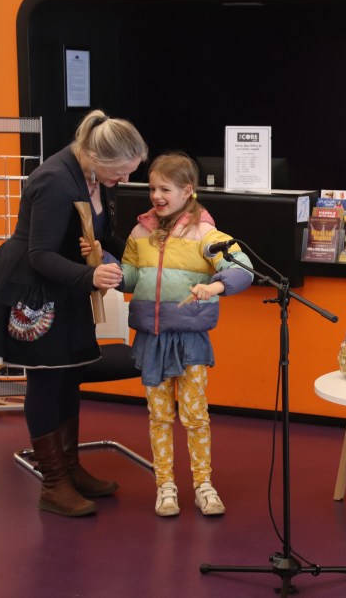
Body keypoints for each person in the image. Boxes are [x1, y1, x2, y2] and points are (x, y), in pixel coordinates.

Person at [0, 109, 148, 517]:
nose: (124, 180)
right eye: (122, 172)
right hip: (35, 289)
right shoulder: (55, 181)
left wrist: (145, 256)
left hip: (69, 285)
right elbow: (39, 255)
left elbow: (104, 232)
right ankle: (53, 483)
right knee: (46, 380)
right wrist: (91, 277)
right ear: (98, 158)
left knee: (69, 372)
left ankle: (71, 466)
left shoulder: (95, 176)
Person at [115, 152, 253, 517]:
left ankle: (203, 484)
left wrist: (215, 287)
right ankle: (165, 486)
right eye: (152, 188)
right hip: (152, 339)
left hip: (189, 339)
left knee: (195, 416)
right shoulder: (139, 232)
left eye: (165, 188)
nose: (156, 196)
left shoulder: (205, 233)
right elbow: (128, 279)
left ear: (187, 191)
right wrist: (104, 262)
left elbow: (242, 269)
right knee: (159, 417)